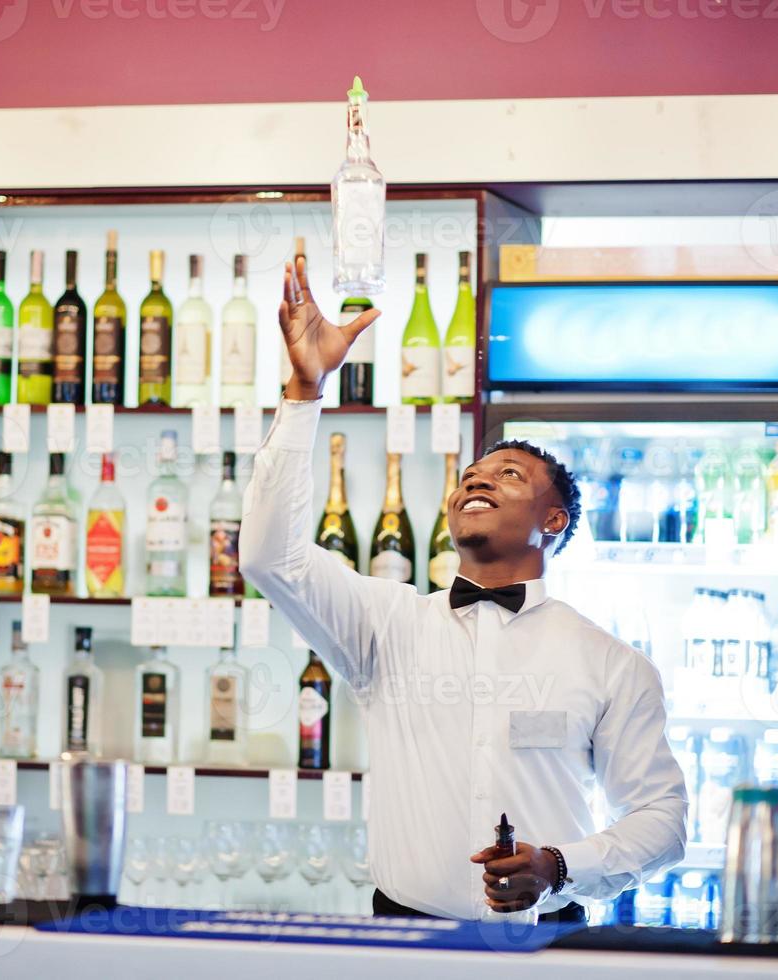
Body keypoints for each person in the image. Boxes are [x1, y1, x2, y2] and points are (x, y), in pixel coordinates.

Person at [239, 258, 688, 921]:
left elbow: (662, 820)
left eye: (506, 474)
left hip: (544, 947)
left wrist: (559, 866)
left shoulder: (609, 663)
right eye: (470, 475)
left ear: (552, 521)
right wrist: (306, 389)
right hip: (401, 942)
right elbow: (268, 555)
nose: (477, 481)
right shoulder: (383, 625)